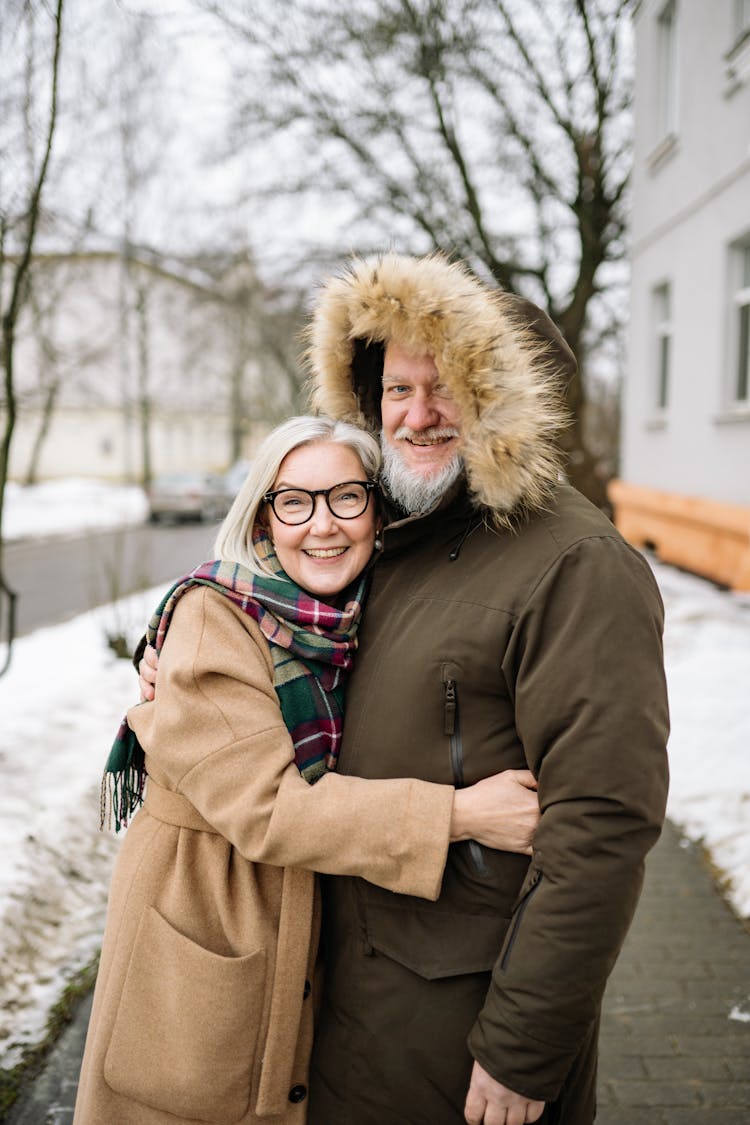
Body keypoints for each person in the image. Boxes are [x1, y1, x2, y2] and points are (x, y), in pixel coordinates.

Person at [75, 414, 541, 1125]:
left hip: (309, 931)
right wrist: (462, 813)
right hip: (209, 922)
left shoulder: (356, 615)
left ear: (376, 507)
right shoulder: (215, 618)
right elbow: (271, 810)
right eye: (295, 500)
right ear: (264, 514)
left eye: (346, 497)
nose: (322, 524)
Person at [299, 252, 670, 1125]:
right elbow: (267, 611)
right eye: (395, 389)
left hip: (465, 1026)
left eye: (445, 387)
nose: (417, 415)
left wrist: (522, 1044)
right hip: (356, 999)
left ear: (501, 396)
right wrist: (175, 648)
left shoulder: (578, 564)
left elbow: (603, 821)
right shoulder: (388, 540)